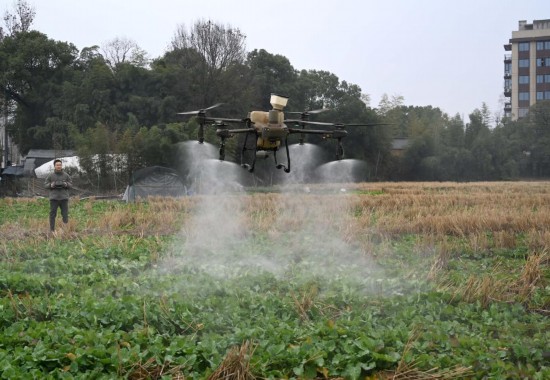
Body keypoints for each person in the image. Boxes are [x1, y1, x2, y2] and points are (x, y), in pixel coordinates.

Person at [44, 159, 72, 232]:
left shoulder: (66, 175)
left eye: (60, 165)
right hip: (54, 198)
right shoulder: (50, 175)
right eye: (57, 165)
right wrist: (51, 185)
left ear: (61, 165)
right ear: (54, 166)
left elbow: (71, 184)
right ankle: (52, 230)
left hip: (64, 198)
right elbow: (45, 185)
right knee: (52, 215)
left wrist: (66, 184)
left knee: (65, 215)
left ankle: (65, 230)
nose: (59, 166)